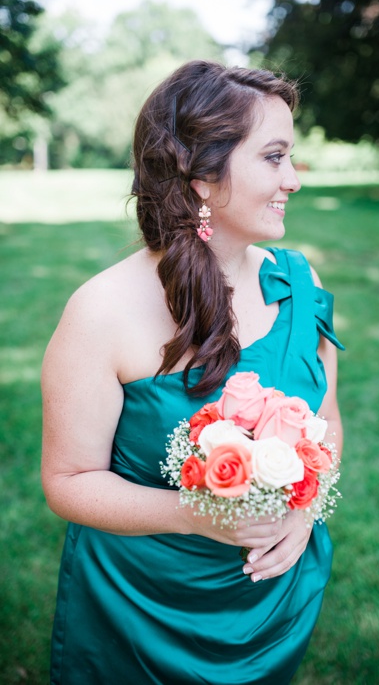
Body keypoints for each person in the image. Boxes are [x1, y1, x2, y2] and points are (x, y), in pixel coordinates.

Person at [40, 60, 344, 683]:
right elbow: (68, 480)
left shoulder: (301, 284)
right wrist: (193, 514)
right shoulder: (102, 312)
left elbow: (327, 422)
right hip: (142, 611)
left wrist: (303, 509)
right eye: (274, 156)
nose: (294, 179)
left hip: (267, 602)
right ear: (201, 174)